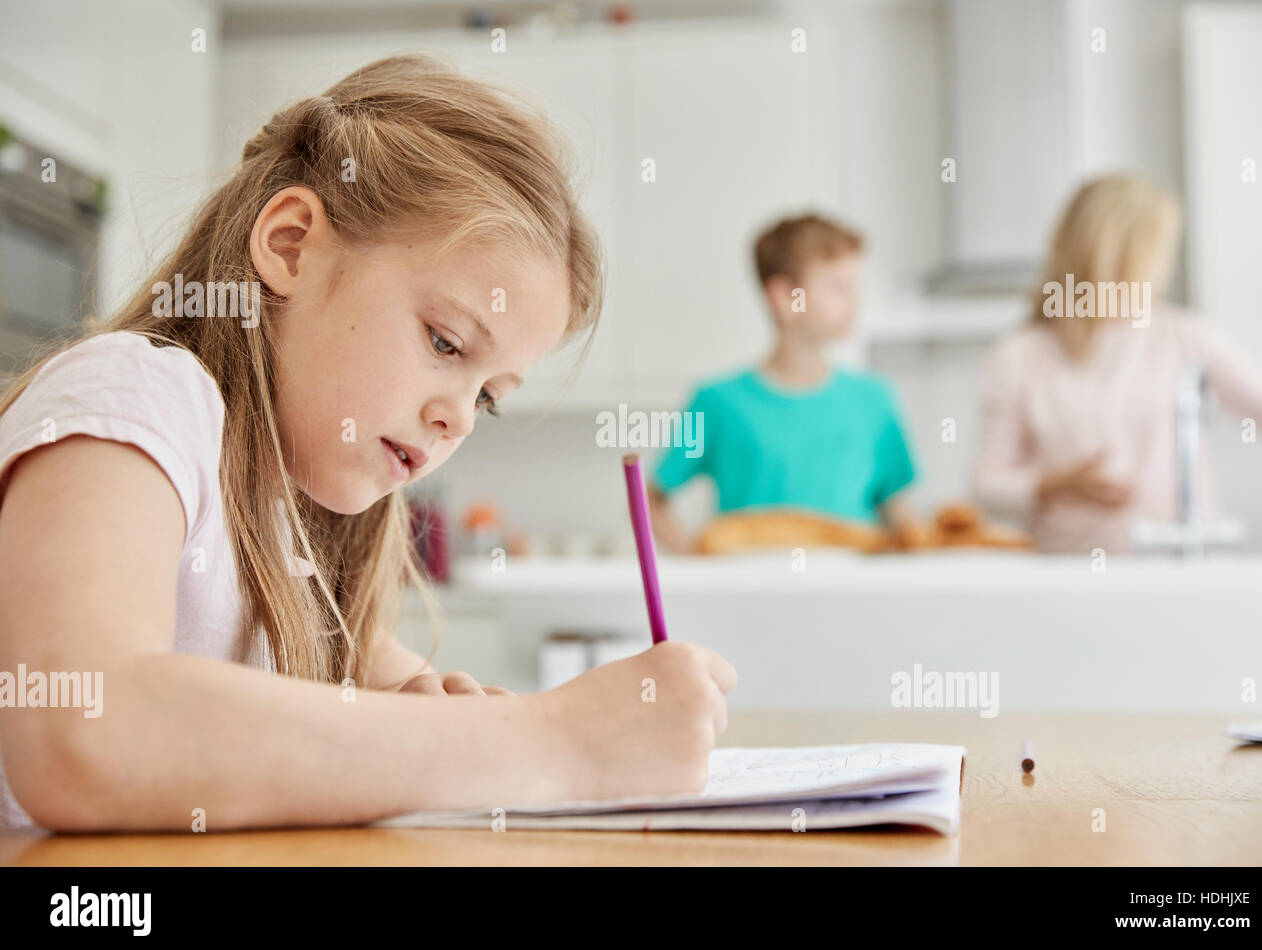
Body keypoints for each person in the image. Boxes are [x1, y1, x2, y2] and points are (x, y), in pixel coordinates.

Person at [0, 55, 735, 832]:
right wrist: (556, 743)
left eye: (488, 398)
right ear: (290, 245)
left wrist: (444, 726)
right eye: (446, 343)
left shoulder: (293, 536)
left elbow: (394, 722)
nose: (458, 417)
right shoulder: (136, 395)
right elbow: (81, 732)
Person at [973, 173, 1262, 553]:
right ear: (1119, 256)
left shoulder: (1185, 336)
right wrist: (1055, 485)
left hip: (1182, 570)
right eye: (1160, 251)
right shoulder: (1019, 354)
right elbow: (987, 485)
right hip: (1070, 575)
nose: (1168, 265)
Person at [649, 213, 923, 552]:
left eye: (855, 287)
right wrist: (698, 562)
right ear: (783, 299)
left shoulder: (875, 400)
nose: (854, 302)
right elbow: (649, 501)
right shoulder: (713, 403)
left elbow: (901, 516)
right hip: (749, 596)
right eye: (838, 287)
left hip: (851, 595)